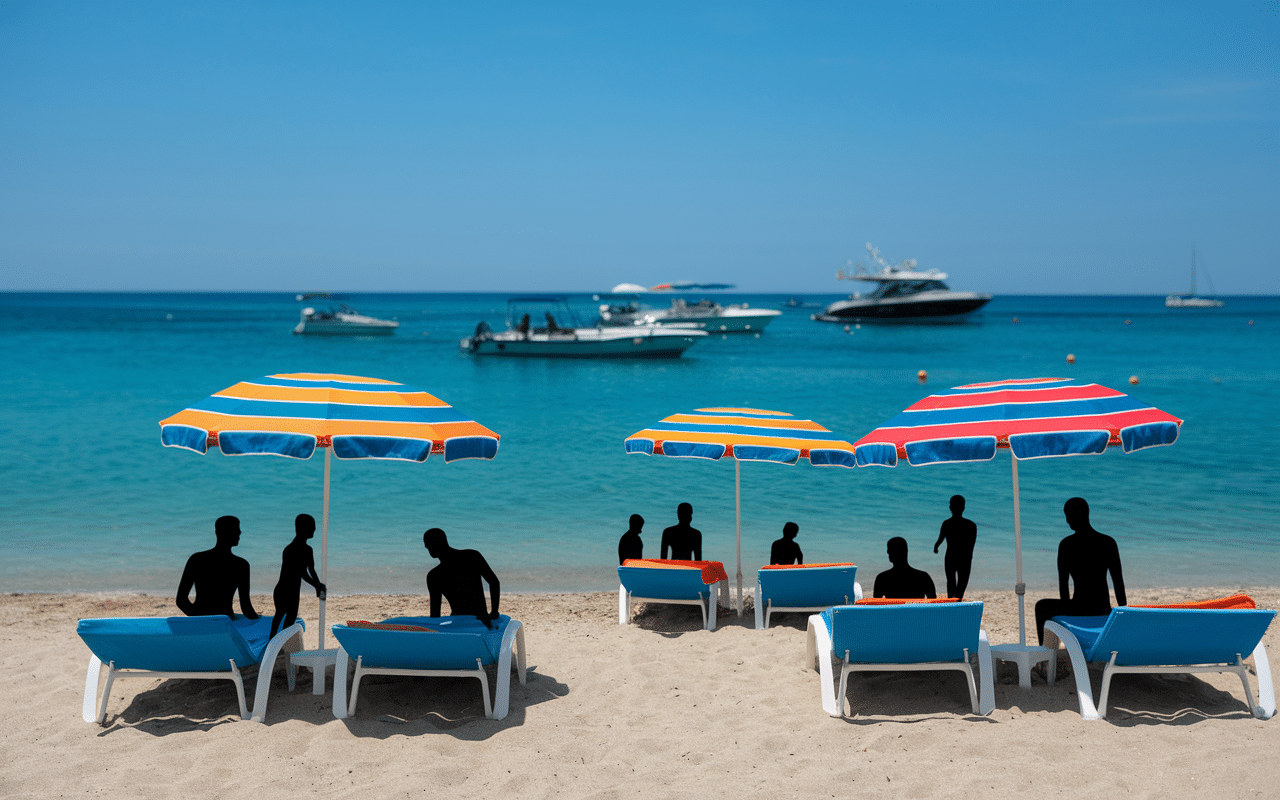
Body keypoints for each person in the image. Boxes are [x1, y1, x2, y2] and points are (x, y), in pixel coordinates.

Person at [1034, 497, 1126, 644]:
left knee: (1041, 606)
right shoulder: (1108, 542)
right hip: (1102, 610)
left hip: (1078, 609)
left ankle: (1047, 650)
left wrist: (1066, 614)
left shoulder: (1066, 545)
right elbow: (1118, 583)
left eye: (1068, 516)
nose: (1067, 520)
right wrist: (1123, 612)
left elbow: (1064, 586)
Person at [176, 515, 259, 619]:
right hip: (226, 621)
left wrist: (199, 618)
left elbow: (181, 601)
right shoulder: (241, 565)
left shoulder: (197, 559)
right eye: (235, 529)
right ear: (220, 532)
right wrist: (262, 622)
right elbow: (246, 607)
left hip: (202, 620)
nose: (239, 532)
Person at [423, 528, 501, 627]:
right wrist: (494, 613)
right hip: (482, 621)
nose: (426, 546)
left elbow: (435, 614)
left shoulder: (434, 575)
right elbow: (494, 582)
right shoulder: (472, 556)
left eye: (427, 544)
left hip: (459, 624)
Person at [270, 514, 327, 638]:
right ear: (302, 528)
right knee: (281, 620)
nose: (314, 529)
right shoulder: (290, 550)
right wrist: (317, 585)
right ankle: (274, 644)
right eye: (312, 526)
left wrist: (318, 586)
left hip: (294, 591)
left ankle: (280, 645)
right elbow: (302, 573)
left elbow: (311, 570)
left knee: (286, 621)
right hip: (284, 591)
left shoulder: (308, 550)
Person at [933, 495, 977, 599]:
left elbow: (940, 539)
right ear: (963, 508)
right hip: (964, 558)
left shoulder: (946, 523)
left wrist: (936, 547)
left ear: (950, 508)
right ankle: (957, 601)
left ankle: (951, 602)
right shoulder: (971, 525)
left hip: (950, 557)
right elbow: (972, 545)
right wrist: (969, 557)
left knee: (951, 583)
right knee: (962, 584)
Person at [873, 537, 937, 599]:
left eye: (890, 549)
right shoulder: (923, 577)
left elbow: (875, 604)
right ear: (906, 552)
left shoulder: (882, 578)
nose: (887, 552)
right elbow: (934, 603)